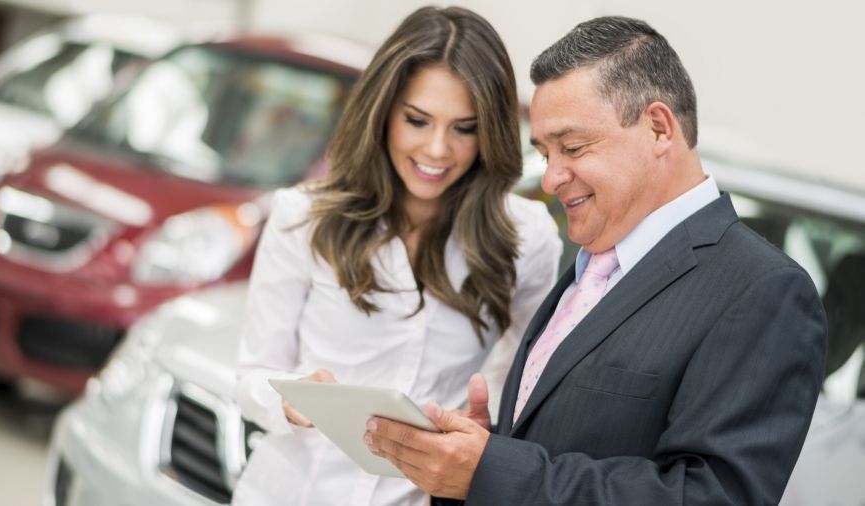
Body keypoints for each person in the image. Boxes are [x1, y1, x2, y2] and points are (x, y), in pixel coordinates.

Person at [366, 15, 827, 505]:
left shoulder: (764, 290)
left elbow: (710, 497)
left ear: (658, 128)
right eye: (546, 154)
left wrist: (493, 469)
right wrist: (479, 452)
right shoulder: (592, 265)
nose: (550, 178)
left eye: (573, 147)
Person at [232, 6, 563, 506]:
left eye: (464, 128)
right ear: (382, 110)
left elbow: (517, 382)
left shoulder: (526, 235)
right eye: (417, 120)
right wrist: (293, 395)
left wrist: (480, 436)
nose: (437, 150)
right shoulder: (302, 216)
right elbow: (250, 377)